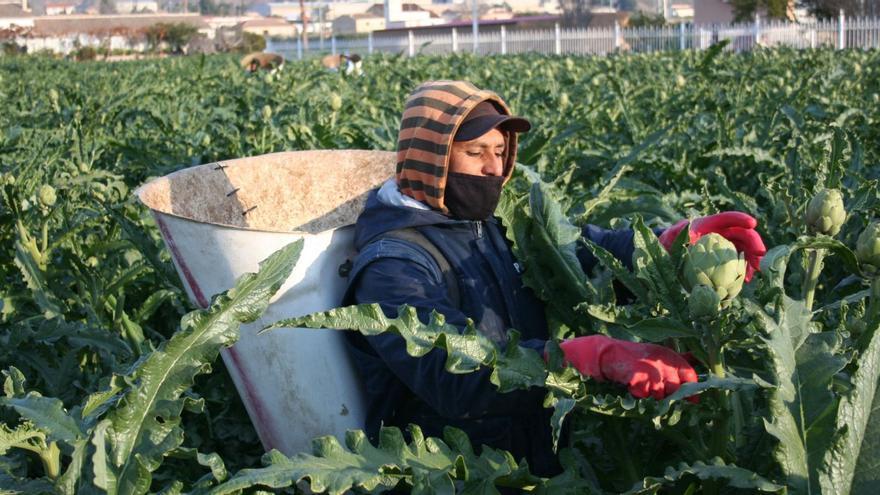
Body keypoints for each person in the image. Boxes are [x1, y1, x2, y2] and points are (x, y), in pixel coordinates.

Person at [342, 80, 766, 475]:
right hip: (457, 471)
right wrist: (583, 359)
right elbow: (454, 377)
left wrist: (667, 246)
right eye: (475, 153)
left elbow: (580, 253)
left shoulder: (495, 221)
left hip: (536, 452)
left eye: (500, 150)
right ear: (429, 157)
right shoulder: (393, 264)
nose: (494, 167)